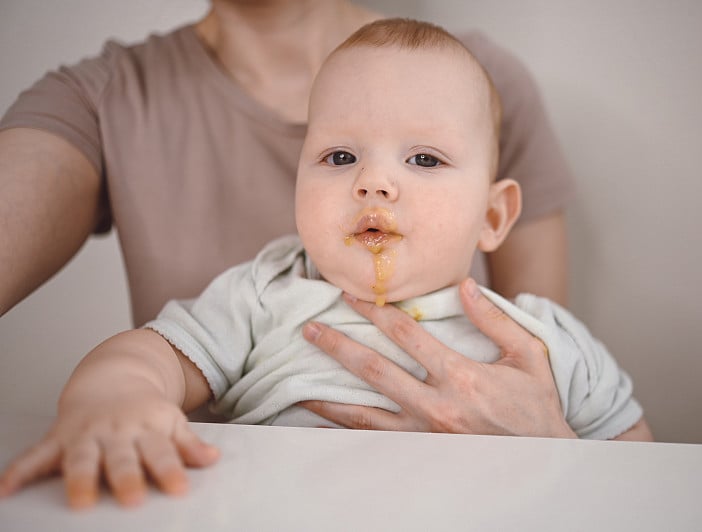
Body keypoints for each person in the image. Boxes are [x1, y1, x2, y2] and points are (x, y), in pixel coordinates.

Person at [0, 18, 653, 509]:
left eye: (423, 160)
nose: (374, 182)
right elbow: (154, 353)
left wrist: (564, 467)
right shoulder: (263, 296)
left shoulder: (541, 343)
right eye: (340, 158)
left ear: (493, 217)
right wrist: (117, 394)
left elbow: (649, 477)